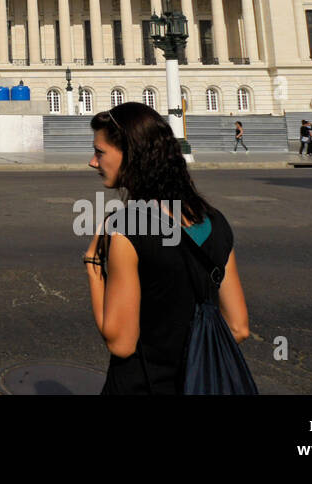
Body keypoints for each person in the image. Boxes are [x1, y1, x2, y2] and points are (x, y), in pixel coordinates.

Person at [82, 102, 251, 394]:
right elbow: (238, 328)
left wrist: (93, 266)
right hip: (199, 382)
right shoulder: (215, 221)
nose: (93, 162)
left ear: (131, 156)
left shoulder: (128, 228)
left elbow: (121, 342)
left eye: (100, 152)